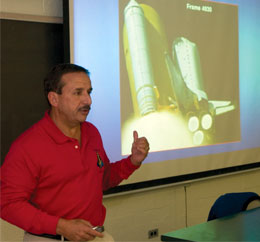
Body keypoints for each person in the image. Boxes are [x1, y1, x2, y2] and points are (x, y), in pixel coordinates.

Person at [0, 63, 150, 241]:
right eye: (78, 93)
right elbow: (7, 204)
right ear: (54, 99)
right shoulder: (28, 146)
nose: (88, 100)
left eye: (89, 92)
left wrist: (133, 161)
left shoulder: (91, 132)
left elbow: (102, 179)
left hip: (96, 235)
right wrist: (61, 226)